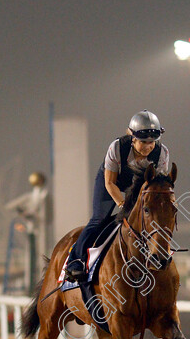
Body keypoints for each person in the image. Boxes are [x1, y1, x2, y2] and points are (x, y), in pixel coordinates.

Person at [65, 110, 171, 283]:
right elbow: (110, 184)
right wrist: (123, 204)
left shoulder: (162, 154)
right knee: (99, 219)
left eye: (152, 142)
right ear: (133, 138)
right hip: (112, 181)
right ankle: (75, 262)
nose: (148, 146)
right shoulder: (117, 147)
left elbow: (156, 186)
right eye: (143, 142)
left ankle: (156, 255)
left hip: (140, 184)